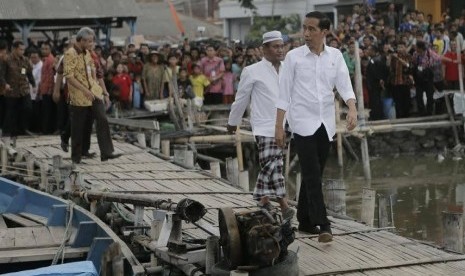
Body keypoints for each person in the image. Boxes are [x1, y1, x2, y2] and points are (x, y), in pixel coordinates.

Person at [275, 11, 357, 243]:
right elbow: (283, 94)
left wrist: (352, 109)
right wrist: (279, 126)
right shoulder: (293, 57)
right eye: (305, 28)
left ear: (324, 32)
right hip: (302, 123)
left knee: (315, 173)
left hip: (325, 123)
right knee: (312, 174)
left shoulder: (335, 56)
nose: (306, 34)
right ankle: (324, 224)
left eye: (312, 29)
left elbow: (344, 85)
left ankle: (304, 220)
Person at [227, 30, 295, 222]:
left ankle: (262, 198)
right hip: (264, 126)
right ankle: (283, 204)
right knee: (273, 164)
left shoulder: (288, 70)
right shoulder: (252, 71)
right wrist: (233, 122)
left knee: (273, 165)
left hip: (286, 124)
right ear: (264, 49)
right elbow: (241, 99)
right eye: (275, 46)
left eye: (282, 46)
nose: (280, 50)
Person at [63, 27, 121, 164]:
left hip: (93, 91)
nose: (90, 44)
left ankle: (107, 152)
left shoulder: (88, 53)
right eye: (88, 41)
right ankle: (76, 158)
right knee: (78, 126)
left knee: (102, 118)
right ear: (80, 40)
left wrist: (100, 89)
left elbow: (92, 70)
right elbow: (69, 77)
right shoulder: (70, 54)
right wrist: (84, 90)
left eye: (91, 41)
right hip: (79, 94)